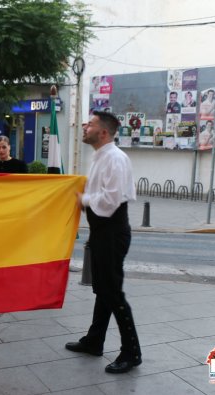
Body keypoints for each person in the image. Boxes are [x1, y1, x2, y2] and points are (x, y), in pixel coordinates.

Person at [65, 111, 141, 374]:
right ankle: (95, 340)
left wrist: (83, 200)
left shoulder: (115, 159)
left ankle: (131, 352)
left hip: (112, 231)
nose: (85, 127)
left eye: (91, 124)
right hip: (101, 231)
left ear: (104, 132)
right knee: (103, 290)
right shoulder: (100, 157)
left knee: (113, 293)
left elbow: (108, 202)